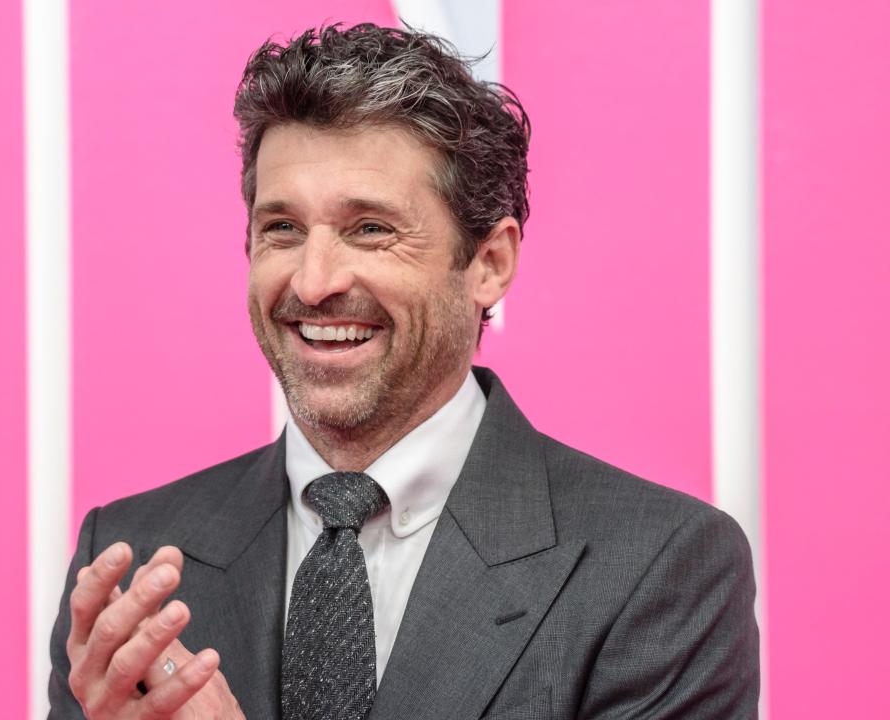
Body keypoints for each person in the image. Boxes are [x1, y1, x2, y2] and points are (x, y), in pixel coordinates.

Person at [49, 23, 759, 720]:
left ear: (489, 263)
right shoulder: (130, 562)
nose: (315, 280)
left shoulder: (658, 567)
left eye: (370, 229)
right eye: (282, 229)